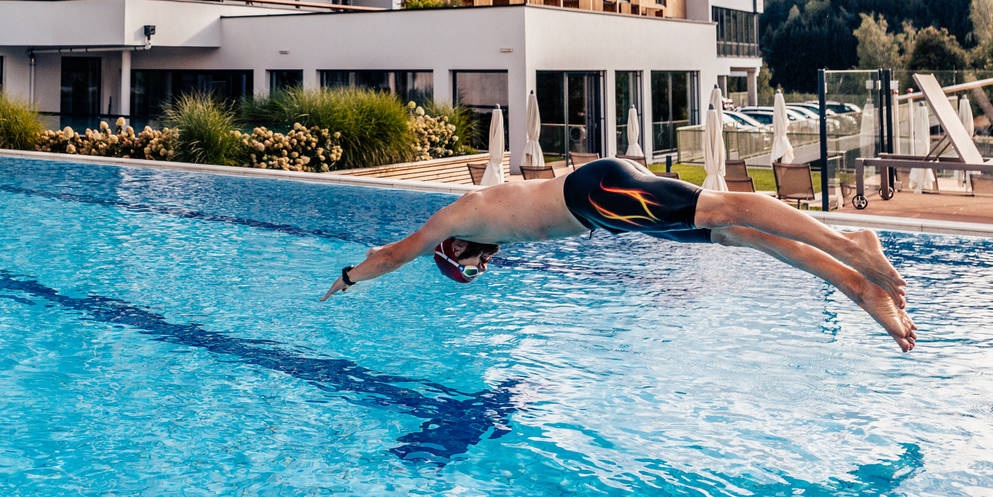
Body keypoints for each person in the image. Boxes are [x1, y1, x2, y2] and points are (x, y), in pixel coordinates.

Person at [321, 156, 916, 351]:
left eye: (471, 268)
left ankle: (851, 247)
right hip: (604, 214)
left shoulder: (457, 217)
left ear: (454, 250)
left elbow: (393, 254)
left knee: (726, 210)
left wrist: (349, 277)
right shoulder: (482, 224)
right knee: (737, 234)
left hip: (598, 193)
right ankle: (856, 284)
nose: (484, 267)